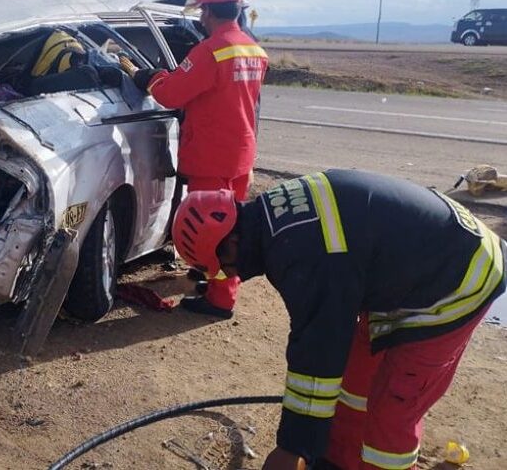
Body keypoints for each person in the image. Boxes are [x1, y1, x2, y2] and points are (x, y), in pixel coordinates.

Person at [171, 169, 505, 470]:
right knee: (354, 381)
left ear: (230, 243)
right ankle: (339, 461)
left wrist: (292, 449)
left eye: (221, 269)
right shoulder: (274, 218)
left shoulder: (299, 256)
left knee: (391, 412)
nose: (230, 276)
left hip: (455, 282)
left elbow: (318, 352)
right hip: (411, 269)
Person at [124, 0, 269, 318]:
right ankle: (211, 277)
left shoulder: (210, 51)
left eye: (203, 12)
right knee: (233, 224)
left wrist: (147, 77)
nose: (201, 18)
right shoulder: (253, 48)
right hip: (241, 151)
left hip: (212, 155)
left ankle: (220, 299)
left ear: (209, 12)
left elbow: (171, 94)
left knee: (213, 229)